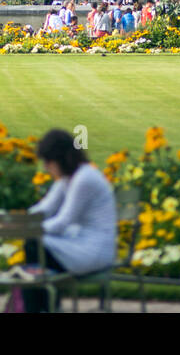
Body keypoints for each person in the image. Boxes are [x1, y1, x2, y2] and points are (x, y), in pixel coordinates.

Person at [23, 129, 117, 312]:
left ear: (60, 159)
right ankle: (46, 306)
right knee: (32, 259)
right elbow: (44, 208)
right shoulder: (68, 178)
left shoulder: (84, 178)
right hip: (80, 243)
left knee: (34, 248)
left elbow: (62, 222)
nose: (46, 167)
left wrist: (27, 228)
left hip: (94, 249)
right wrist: (19, 221)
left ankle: (44, 307)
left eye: (48, 162)